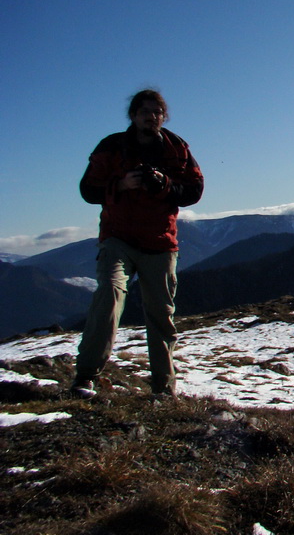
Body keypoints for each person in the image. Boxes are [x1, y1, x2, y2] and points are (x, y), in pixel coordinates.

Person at [71, 89, 203, 398]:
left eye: (157, 111)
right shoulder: (112, 147)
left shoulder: (177, 148)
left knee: (161, 315)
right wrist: (121, 184)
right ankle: (85, 376)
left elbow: (194, 190)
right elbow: (88, 190)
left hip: (160, 241)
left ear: (163, 116)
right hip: (119, 237)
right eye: (145, 111)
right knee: (109, 294)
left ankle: (163, 389)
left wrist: (165, 184)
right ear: (133, 115)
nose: (151, 116)